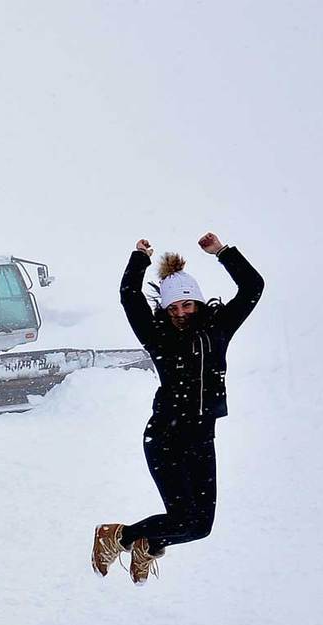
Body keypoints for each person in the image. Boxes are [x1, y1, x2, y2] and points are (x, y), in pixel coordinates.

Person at [91, 231, 264, 584]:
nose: (181, 313)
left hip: (201, 438)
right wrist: (139, 259)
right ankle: (116, 537)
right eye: (173, 308)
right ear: (166, 311)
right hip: (166, 439)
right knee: (184, 517)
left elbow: (252, 287)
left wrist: (222, 252)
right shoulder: (157, 334)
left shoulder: (218, 329)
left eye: (186, 305)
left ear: (197, 302)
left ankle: (147, 544)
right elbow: (129, 297)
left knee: (200, 527)